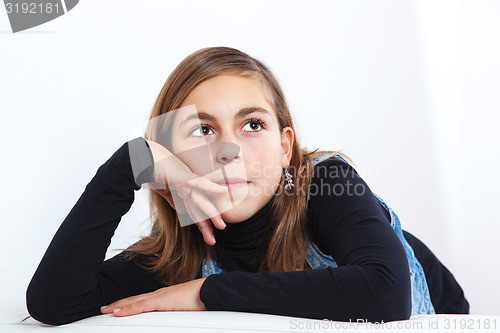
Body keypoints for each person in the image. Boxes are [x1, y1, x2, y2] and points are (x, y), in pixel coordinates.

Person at [26, 46, 469, 326]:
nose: (229, 151)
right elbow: (54, 304)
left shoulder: (326, 181)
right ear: (168, 156)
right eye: (202, 130)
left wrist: (204, 294)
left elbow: (386, 294)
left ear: (284, 149)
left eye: (252, 124)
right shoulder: (176, 255)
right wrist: (129, 163)